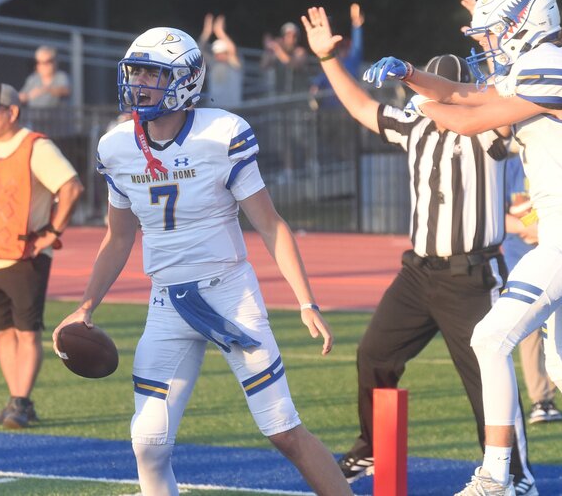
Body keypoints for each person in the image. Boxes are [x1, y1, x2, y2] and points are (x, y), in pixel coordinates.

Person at [53, 26, 353, 496]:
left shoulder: (222, 134)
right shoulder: (115, 147)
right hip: (166, 303)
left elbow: (270, 224)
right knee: (147, 441)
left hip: (230, 295)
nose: (141, 84)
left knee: (283, 430)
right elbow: (118, 236)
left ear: (186, 80)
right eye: (137, 72)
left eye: (154, 73)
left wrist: (306, 301)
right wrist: (86, 305)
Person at [362, 0, 562, 496]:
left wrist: (416, 105)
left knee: (489, 337)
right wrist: (411, 74)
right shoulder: (543, 64)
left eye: (491, 34)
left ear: (522, 25)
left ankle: (495, 476)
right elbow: (466, 91)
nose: (486, 45)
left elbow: (474, 116)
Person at [302, 6, 535, 495]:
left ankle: (513, 476)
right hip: (417, 273)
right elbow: (362, 107)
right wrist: (327, 58)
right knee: (374, 354)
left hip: (470, 275)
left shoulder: (488, 127)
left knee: (486, 381)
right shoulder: (416, 125)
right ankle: (373, 445)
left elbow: (506, 95)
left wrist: (494, 37)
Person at [0, 82, 83, 429]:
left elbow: (71, 187)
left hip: (24, 255)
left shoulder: (35, 146)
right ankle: (15, 399)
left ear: (12, 112)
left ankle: (22, 402)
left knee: (26, 331)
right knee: (2, 332)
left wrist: (53, 232)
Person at [503, 149, 562, 425]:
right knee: (529, 331)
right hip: (522, 261)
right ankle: (541, 400)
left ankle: (561, 395)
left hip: (560, 257)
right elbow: (504, 211)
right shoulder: (510, 166)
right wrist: (530, 226)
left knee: (560, 328)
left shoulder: (556, 161)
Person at [309, 3, 364, 109]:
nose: (344, 49)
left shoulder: (352, 60)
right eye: (342, 47)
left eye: (345, 47)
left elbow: (357, 44)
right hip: (330, 109)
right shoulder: (335, 63)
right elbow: (321, 80)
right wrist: (315, 88)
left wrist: (357, 25)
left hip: (350, 108)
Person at [198, 13, 243, 109]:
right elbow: (199, 49)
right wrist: (206, 32)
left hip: (233, 108)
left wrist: (220, 32)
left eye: (221, 53)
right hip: (215, 107)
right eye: (216, 53)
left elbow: (232, 49)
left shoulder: (234, 64)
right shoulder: (214, 64)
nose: (218, 55)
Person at [262, 21, 310, 95]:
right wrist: (269, 49)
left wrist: (277, 48)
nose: (291, 39)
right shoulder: (277, 53)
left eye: (294, 36)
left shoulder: (300, 52)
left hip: (297, 95)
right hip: (279, 94)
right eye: (288, 35)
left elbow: (294, 64)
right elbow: (264, 66)